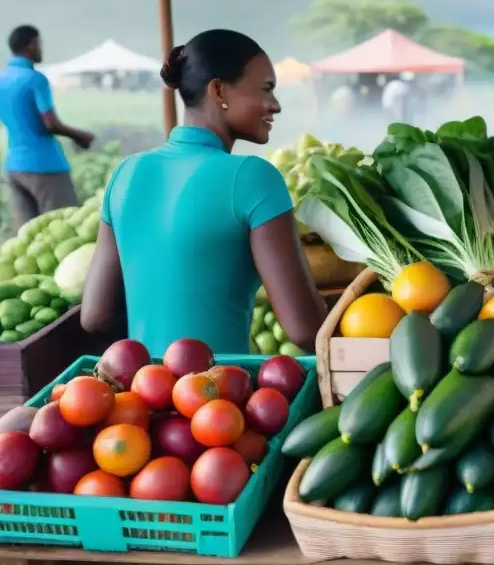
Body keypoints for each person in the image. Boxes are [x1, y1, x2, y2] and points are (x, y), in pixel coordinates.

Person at [81, 29, 326, 355]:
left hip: (141, 394)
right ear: (219, 89)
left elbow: (94, 316)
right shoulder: (253, 177)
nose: (276, 105)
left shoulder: (126, 172)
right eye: (266, 89)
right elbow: (306, 331)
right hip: (217, 396)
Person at [0, 25, 94, 230]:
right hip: (44, 165)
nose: (41, 49)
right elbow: (50, 123)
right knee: (64, 229)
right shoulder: (35, 79)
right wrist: (80, 136)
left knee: (27, 236)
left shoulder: (2, 80)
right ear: (31, 45)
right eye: (39, 44)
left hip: (14, 166)